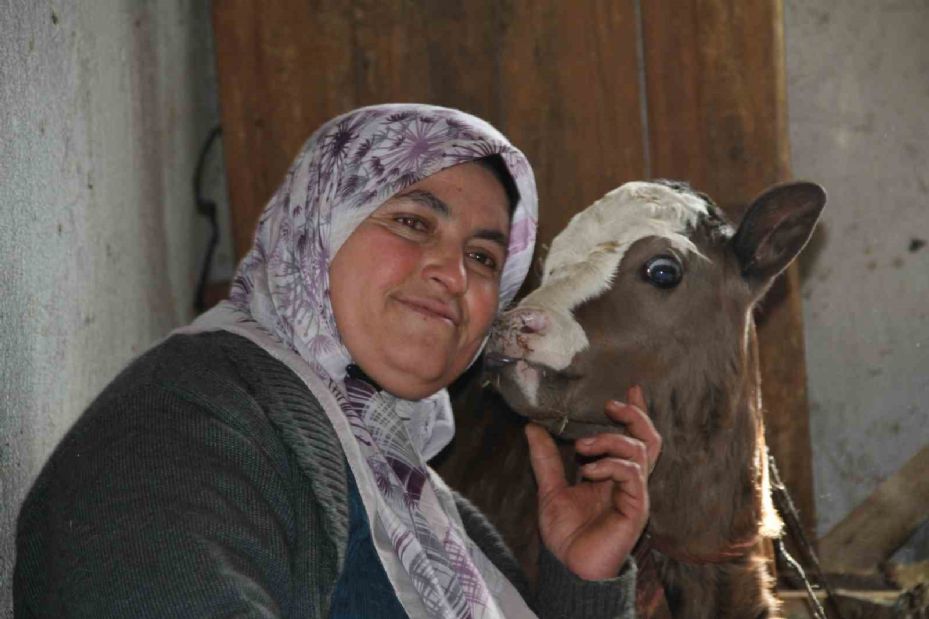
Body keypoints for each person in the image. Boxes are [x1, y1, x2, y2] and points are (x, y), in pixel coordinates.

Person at [15, 104, 661, 618]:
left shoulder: (421, 507)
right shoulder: (185, 416)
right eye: (412, 222)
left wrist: (579, 581)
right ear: (316, 225)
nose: (453, 275)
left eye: (484, 257)